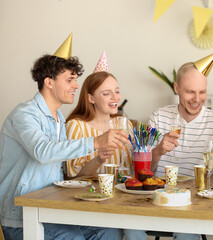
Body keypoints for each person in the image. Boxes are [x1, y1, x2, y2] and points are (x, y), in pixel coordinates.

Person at [0, 36, 127, 239]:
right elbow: (42, 151)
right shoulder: (24, 114)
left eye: (75, 79)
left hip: (51, 208)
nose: (76, 86)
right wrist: (95, 141)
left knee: (108, 230)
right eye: (70, 80)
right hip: (23, 216)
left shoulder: (58, 117)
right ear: (49, 82)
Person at [149, 51, 213, 240]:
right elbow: (143, 171)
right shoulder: (158, 118)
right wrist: (158, 151)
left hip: (195, 201)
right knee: (131, 228)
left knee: (186, 232)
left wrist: (194, 185)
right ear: (177, 88)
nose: (196, 99)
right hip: (155, 197)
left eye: (202, 92)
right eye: (190, 91)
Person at [65, 52, 134, 178]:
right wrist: (99, 160)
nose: (115, 97)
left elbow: (131, 169)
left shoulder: (124, 123)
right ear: (91, 98)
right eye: (106, 93)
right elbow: (72, 177)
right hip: (87, 195)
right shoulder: (76, 126)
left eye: (117, 91)